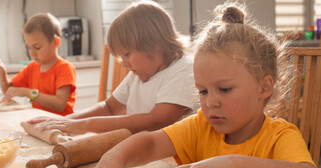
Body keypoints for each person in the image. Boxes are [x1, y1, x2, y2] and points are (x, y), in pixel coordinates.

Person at [73, 3, 321, 168]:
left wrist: (230, 164)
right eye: (202, 91)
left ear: (264, 87)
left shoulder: (279, 136)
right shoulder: (201, 125)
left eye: (224, 89)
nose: (210, 102)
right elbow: (150, 143)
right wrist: (112, 159)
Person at [28, 1, 197, 134]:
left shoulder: (184, 69)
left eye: (127, 54)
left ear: (153, 45)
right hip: (145, 152)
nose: (124, 63)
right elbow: (109, 107)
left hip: (173, 161)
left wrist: (84, 125)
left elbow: (156, 121)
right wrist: (68, 120)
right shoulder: (139, 74)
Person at [0, 13, 76, 116]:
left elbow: (59, 104)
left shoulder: (65, 68)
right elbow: (9, 90)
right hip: (40, 123)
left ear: (55, 42)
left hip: (62, 126)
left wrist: (28, 93)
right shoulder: (32, 67)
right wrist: (1, 72)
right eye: (29, 47)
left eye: (37, 47)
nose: (32, 53)